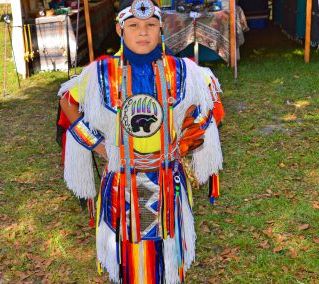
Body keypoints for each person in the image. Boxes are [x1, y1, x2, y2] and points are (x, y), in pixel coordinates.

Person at [57, 0, 225, 282]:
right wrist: (98, 146)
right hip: (122, 183)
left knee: (168, 256)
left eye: (150, 26)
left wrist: (188, 139)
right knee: (130, 257)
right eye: (133, 26)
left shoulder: (182, 71)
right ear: (119, 29)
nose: (142, 33)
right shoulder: (102, 74)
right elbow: (67, 101)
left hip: (167, 180)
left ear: (162, 28)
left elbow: (212, 102)